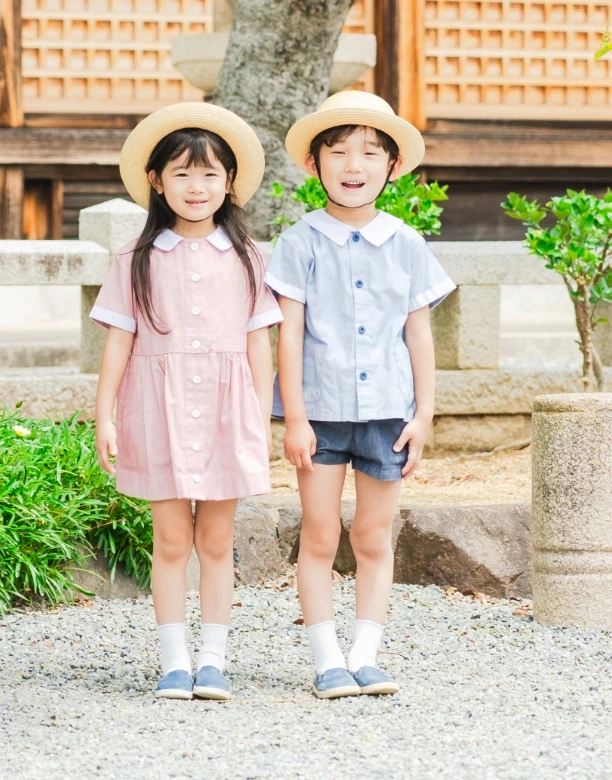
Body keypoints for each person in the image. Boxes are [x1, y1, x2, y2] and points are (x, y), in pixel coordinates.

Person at [266, 91, 455, 699]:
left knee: (375, 535)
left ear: (393, 167)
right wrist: (294, 416)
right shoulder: (299, 242)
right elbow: (288, 334)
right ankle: (326, 661)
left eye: (371, 152)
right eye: (339, 151)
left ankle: (365, 654)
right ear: (315, 165)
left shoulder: (406, 242)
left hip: (388, 416)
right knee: (319, 534)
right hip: (319, 414)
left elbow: (418, 333)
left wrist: (423, 415)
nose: (355, 164)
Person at [91, 103, 282, 701]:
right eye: (180, 173)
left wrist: (260, 414)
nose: (195, 187)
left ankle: (214, 660)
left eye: (208, 175)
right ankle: (174, 661)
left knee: (217, 541)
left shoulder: (251, 257)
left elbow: (260, 347)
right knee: (172, 540)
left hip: (228, 413)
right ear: (155, 181)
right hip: (158, 409)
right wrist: (104, 414)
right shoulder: (135, 258)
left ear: (229, 183)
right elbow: (120, 341)